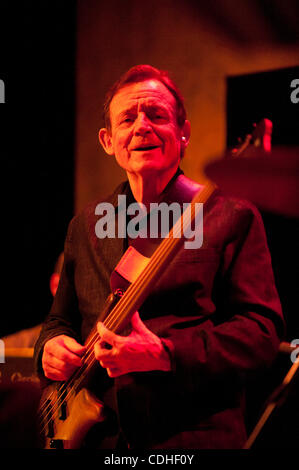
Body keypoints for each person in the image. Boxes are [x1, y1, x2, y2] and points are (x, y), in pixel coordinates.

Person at [34, 65, 285, 449]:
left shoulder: (232, 215)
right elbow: (58, 320)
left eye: (156, 115)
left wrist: (166, 354)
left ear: (183, 133)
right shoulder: (83, 225)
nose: (141, 127)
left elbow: (261, 334)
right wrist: (49, 351)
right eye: (127, 119)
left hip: (191, 439)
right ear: (108, 140)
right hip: (100, 440)